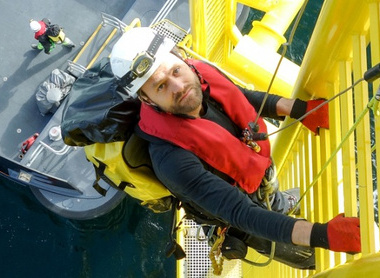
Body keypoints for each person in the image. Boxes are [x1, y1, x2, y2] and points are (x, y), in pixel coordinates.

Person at [110, 27, 361, 256]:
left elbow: (239, 97)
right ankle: (304, 252)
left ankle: (281, 203)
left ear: (183, 61)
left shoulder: (200, 76)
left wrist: (299, 109)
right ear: (148, 100)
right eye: (161, 86)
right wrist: (322, 235)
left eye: (176, 71)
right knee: (308, 257)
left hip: (254, 170)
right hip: (237, 211)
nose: (179, 86)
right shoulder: (171, 159)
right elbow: (241, 213)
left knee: (273, 197)